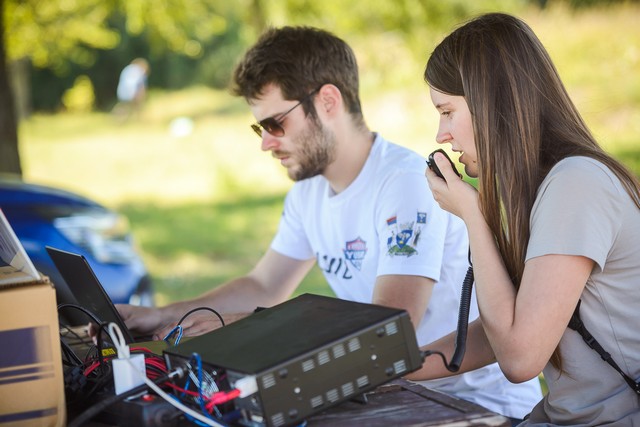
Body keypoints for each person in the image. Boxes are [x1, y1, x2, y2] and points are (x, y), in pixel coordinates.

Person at [115, 26, 541, 419]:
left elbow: (388, 324)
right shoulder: (309, 191)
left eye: (276, 123)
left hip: (473, 406)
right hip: (390, 394)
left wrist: (248, 326)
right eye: (259, 128)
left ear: (328, 101)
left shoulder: (404, 183)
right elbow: (264, 284)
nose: (266, 143)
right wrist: (159, 315)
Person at [411, 12, 640, 425]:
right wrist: (390, 369)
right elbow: (502, 330)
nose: (441, 135)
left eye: (447, 111)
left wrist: (473, 217)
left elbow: (519, 358)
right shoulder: (547, 187)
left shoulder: (576, 185)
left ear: (490, 103)